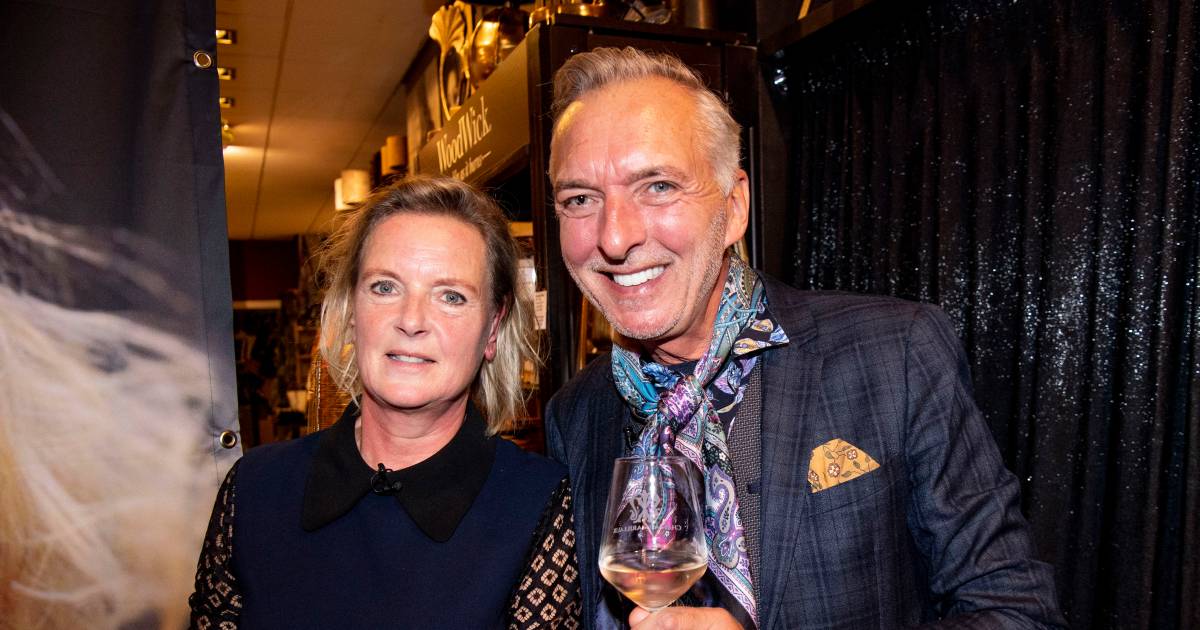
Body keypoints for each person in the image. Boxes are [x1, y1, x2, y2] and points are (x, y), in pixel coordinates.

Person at [543, 47, 1066, 629]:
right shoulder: (576, 414)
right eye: (580, 199)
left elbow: (1018, 614)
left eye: (659, 186)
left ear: (734, 206)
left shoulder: (894, 353)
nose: (614, 237)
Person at [188, 177, 581, 628]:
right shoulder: (254, 489)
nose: (411, 321)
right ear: (351, 310)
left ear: (492, 328)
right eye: (385, 287)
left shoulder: (540, 506)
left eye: (451, 296)